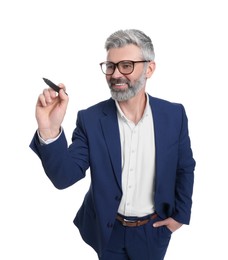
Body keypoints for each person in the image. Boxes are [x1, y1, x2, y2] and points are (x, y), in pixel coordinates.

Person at [30, 29, 196, 260]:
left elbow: (184, 167)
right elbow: (63, 177)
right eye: (110, 66)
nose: (116, 74)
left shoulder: (174, 115)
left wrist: (180, 216)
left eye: (126, 65)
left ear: (149, 68)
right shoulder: (90, 119)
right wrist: (49, 129)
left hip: (154, 231)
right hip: (108, 231)